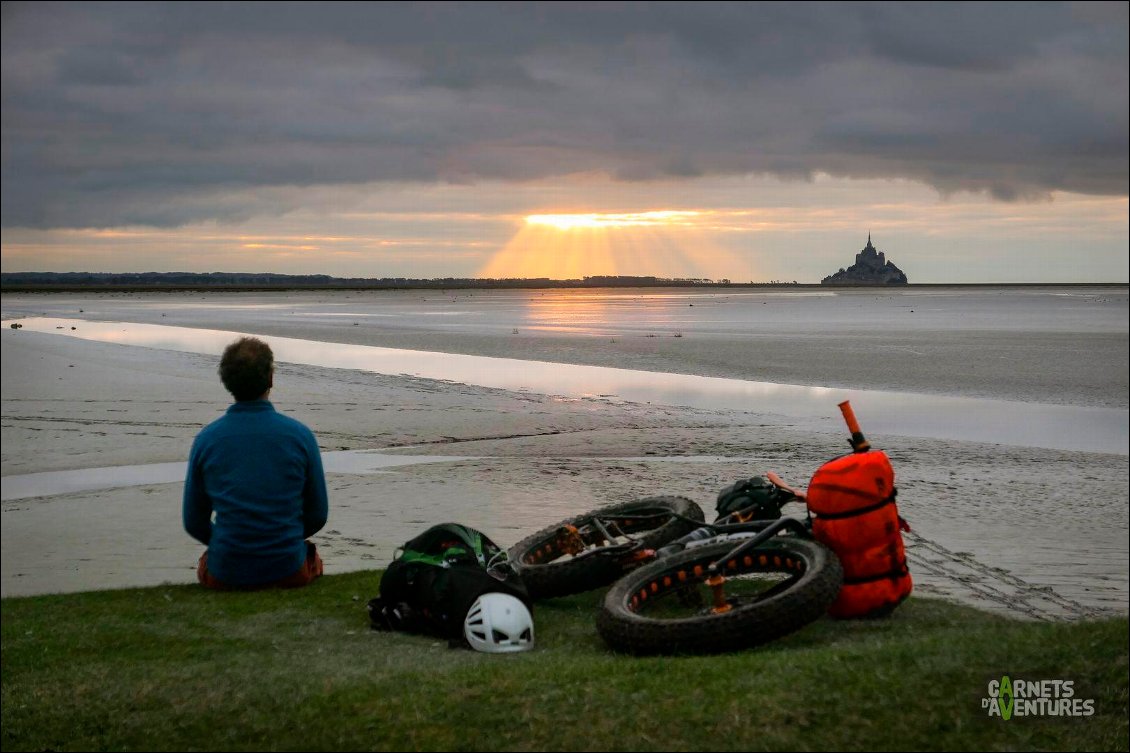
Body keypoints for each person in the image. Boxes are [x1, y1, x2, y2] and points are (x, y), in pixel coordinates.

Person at [183, 337, 329, 589]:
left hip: (227, 571)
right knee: (312, 559)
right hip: (288, 569)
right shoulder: (300, 436)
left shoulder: (207, 440)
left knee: (208, 562)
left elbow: (194, 521)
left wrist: (229, 542)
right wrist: (282, 539)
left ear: (226, 381)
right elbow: (317, 514)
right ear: (271, 378)